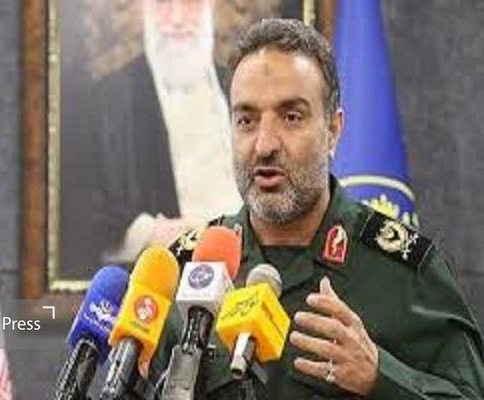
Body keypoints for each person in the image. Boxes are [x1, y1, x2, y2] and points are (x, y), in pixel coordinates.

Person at [151, 18, 484, 398]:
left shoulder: (402, 273)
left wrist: (379, 377)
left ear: (333, 130)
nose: (264, 144)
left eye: (291, 117)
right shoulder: (188, 271)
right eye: (246, 120)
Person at [88, 0, 242, 265]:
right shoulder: (108, 101)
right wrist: (150, 234)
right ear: (143, 9)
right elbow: (87, 212)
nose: (176, 20)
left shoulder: (240, 87)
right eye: (162, 3)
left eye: (190, 3)